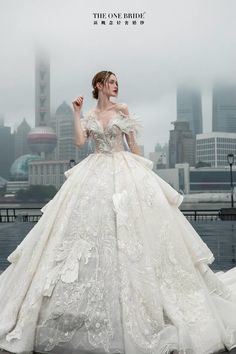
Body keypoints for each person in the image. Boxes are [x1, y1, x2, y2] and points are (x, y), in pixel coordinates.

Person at [0, 70, 236, 354]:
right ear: (99, 85)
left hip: (123, 169)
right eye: (111, 82)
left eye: (117, 82)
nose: (116, 86)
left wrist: (144, 175)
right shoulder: (87, 115)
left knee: (131, 232)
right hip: (94, 170)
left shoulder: (122, 110)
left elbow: (132, 144)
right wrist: (76, 113)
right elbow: (79, 143)